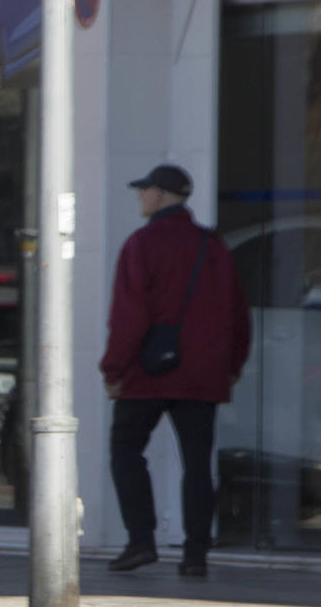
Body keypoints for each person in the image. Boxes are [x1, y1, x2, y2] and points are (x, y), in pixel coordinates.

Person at [99, 164, 251, 577]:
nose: (140, 197)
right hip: (202, 376)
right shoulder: (213, 246)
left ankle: (140, 540)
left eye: (144, 190)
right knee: (198, 464)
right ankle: (196, 553)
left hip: (147, 373)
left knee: (127, 450)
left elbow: (129, 317)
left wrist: (113, 369)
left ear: (161, 194)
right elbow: (239, 313)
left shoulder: (142, 244)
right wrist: (232, 366)